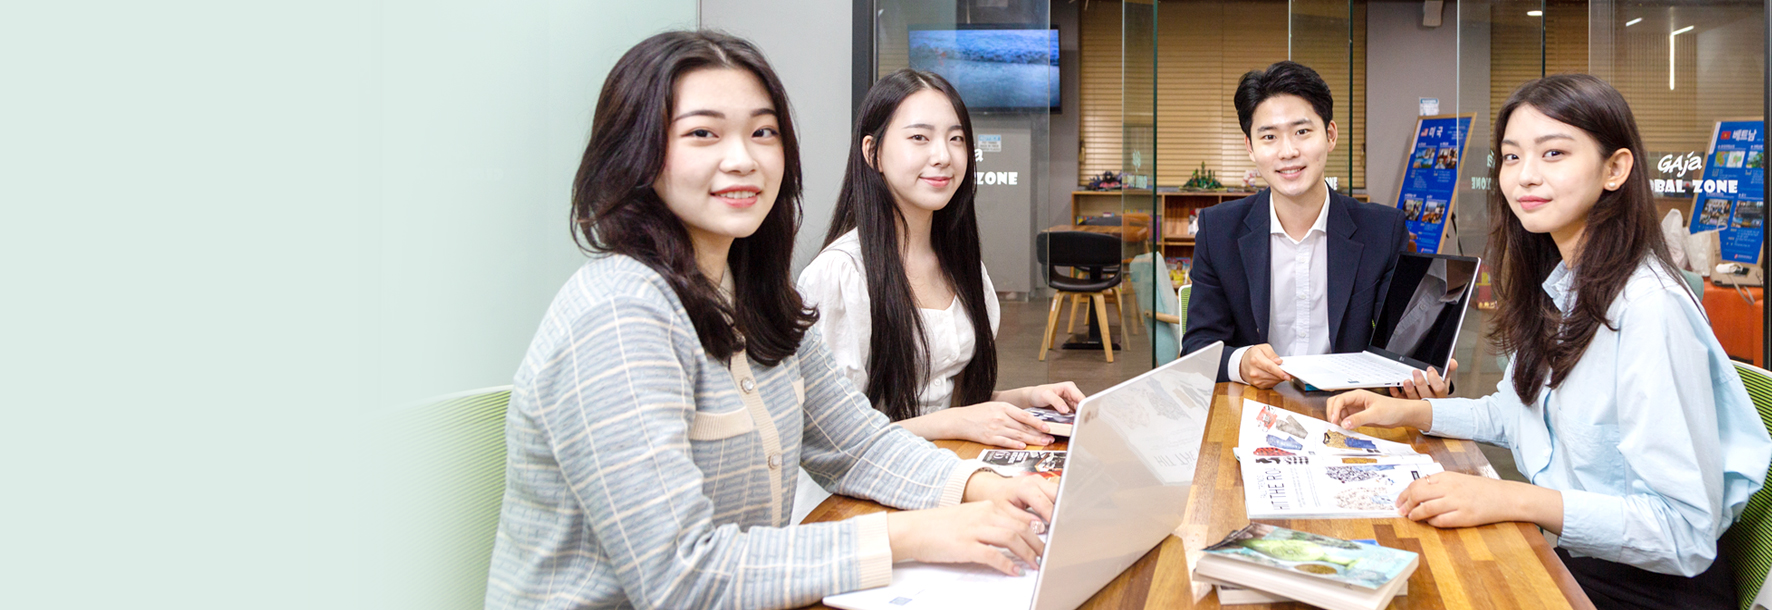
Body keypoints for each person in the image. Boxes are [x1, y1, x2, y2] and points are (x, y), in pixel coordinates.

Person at [484, 32, 1057, 610]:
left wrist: (985, 488)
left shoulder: (758, 298)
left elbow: (858, 444)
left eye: (763, 132)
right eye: (703, 133)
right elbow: (684, 577)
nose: (744, 159)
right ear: (636, 152)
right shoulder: (617, 315)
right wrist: (911, 535)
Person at [1327, 74, 1772, 610]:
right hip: (1579, 556)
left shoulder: (1649, 308)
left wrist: (1510, 499)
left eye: (1553, 153)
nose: (1525, 176)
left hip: (1651, 588)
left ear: (1615, 169)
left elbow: (1683, 533)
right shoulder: (1562, 284)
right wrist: (1409, 413)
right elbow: (1515, 414)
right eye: (1511, 157)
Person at [797, 68, 1084, 449]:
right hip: (870, 483)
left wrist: (1028, 398)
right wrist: (958, 421)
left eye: (956, 139)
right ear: (872, 152)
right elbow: (830, 438)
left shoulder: (962, 267)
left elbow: (948, 404)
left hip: (945, 466)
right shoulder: (841, 273)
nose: (943, 156)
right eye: (919, 137)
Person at [1180, 60, 1456, 398]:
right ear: (1250, 147)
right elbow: (1197, 346)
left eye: (1302, 132)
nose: (1288, 152)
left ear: (1330, 135)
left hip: (1349, 408)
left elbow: (1402, 344)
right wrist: (1241, 362)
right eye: (1269, 137)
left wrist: (1424, 374)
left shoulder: (1383, 230)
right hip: (1254, 405)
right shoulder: (1219, 230)